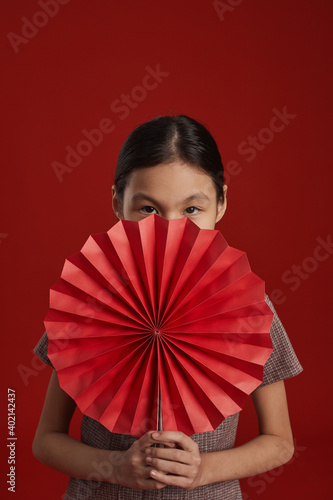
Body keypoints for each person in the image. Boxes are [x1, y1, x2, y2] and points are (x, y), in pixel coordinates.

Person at [33, 115, 303, 499]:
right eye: (148, 209)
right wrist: (117, 468)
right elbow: (46, 440)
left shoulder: (249, 308)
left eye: (192, 210)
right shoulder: (88, 302)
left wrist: (203, 469)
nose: (171, 230)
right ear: (117, 203)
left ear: (222, 203)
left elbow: (280, 441)